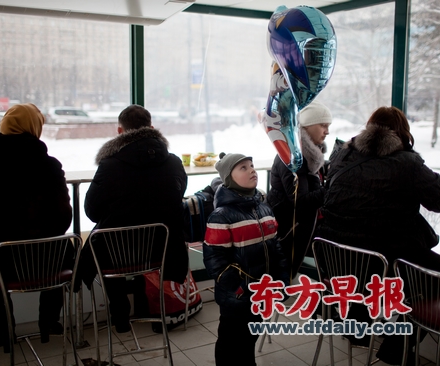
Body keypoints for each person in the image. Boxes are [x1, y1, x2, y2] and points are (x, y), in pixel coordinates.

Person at [316, 106, 440, 364]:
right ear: (403, 133)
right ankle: (399, 343)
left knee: (385, 266)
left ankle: (362, 327)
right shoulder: (406, 164)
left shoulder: (343, 154)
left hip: (341, 261)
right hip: (383, 264)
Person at [0, 103, 72, 351]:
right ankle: (48, 322)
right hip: (44, 261)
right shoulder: (50, 166)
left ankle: (6, 335)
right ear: (35, 127)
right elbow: (64, 217)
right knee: (63, 249)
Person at [81, 104, 189, 332]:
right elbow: (175, 198)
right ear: (151, 128)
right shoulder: (173, 162)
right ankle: (144, 307)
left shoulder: (109, 165)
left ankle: (120, 314)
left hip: (117, 251)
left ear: (120, 132)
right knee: (139, 245)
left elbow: (91, 212)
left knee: (112, 244)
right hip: (162, 249)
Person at [203, 153, 289, 366]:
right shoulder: (221, 216)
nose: (251, 170)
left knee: (250, 337)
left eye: (251, 165)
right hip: (237, 297)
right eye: (243, 167)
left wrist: (282, 278)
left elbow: (275, 246)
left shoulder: (264, 208)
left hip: (261, 292)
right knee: (231, 341)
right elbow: (215, 260)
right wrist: (238, 288)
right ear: (229, 178)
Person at [265, 99, 332, 278]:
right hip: (286, 230)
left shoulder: (309, 157)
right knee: (279, 281)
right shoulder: (292, 159)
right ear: (307, 126)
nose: (328, 131)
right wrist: (331, 188)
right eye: (323, 125)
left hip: (294, 228)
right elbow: (300, 203)